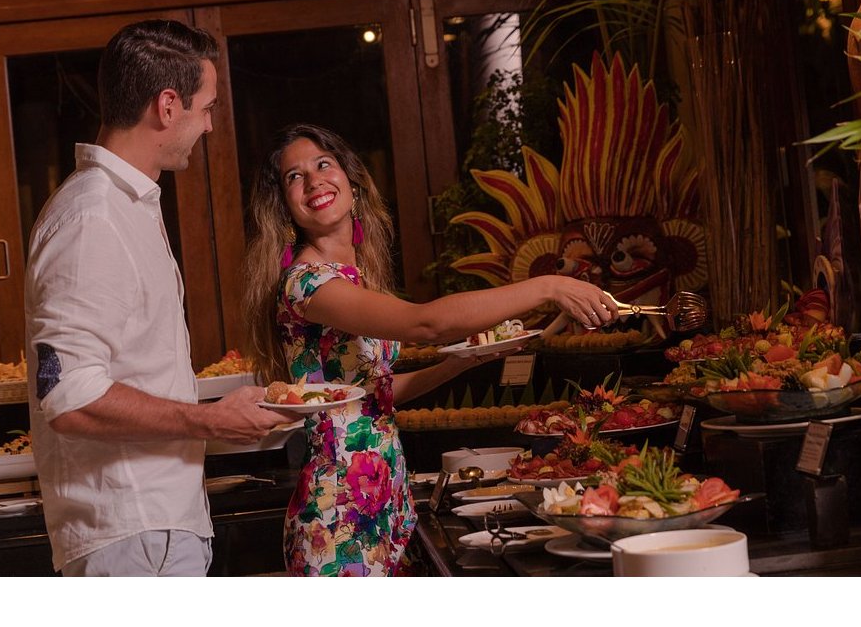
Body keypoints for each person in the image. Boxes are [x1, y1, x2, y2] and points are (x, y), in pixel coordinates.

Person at [242, 123, 619, 576]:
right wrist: (548, 286)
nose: (314, 180)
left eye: (323, 164)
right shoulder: (308, 283)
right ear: (285, 206)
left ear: (352, 181)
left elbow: (375, 396)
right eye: (295, 176)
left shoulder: (351, 278)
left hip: (382, 496)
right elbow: (428, 322)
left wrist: (462, 362)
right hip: (337, 513)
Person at [25, 19, 297, 577]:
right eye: (207, 108)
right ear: (168, 106)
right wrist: (209, 420)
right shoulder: (94, 218)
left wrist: (222, 415)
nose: (211, 125)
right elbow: (69, 396)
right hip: (133, 534)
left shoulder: (124, 206)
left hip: (151, 528)